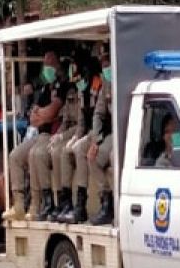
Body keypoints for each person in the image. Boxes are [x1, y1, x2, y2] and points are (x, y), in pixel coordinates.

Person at [6, 51, 63, 221]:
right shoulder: (46, 88)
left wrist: (43, 114)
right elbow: (33, 117)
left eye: (49, 64)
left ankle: (36, 205)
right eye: (45, 65)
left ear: (57, 65)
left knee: (34, 155)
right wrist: (42, 114)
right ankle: (18, 205)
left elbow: (53, 112)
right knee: (15, 156)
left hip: (53, 134)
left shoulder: (63, 86)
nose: (47, 69)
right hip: (39, 134)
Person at [59, 47, 106, 224]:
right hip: (89, 131)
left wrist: (89, 138)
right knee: (67, 150)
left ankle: (81, 204)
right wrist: (75, 136)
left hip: (101, 131)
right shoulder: (81, 86)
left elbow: (99, 116)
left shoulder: (97, 83)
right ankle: (67, 202)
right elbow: (82, 118)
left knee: (80, 150)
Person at [48, 57, 86, 222]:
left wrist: (70, 136)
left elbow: (82, 122)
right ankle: (63, 200)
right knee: (56, 151)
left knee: (65, 151)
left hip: (83, 132)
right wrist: (58, 134)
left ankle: (77, 203)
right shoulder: (71, 93)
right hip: (72, 131)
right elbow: (65, 121)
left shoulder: (85, 92)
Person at [87, 47, 115, 226]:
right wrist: (96, 139)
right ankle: (106, 203)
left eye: (108, 63)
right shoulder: (106, 81)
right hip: (113, 132)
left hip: (132, 129)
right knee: (93, 156)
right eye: (103, 64)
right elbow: (98, 113)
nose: (106, 67)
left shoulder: (125, 75)